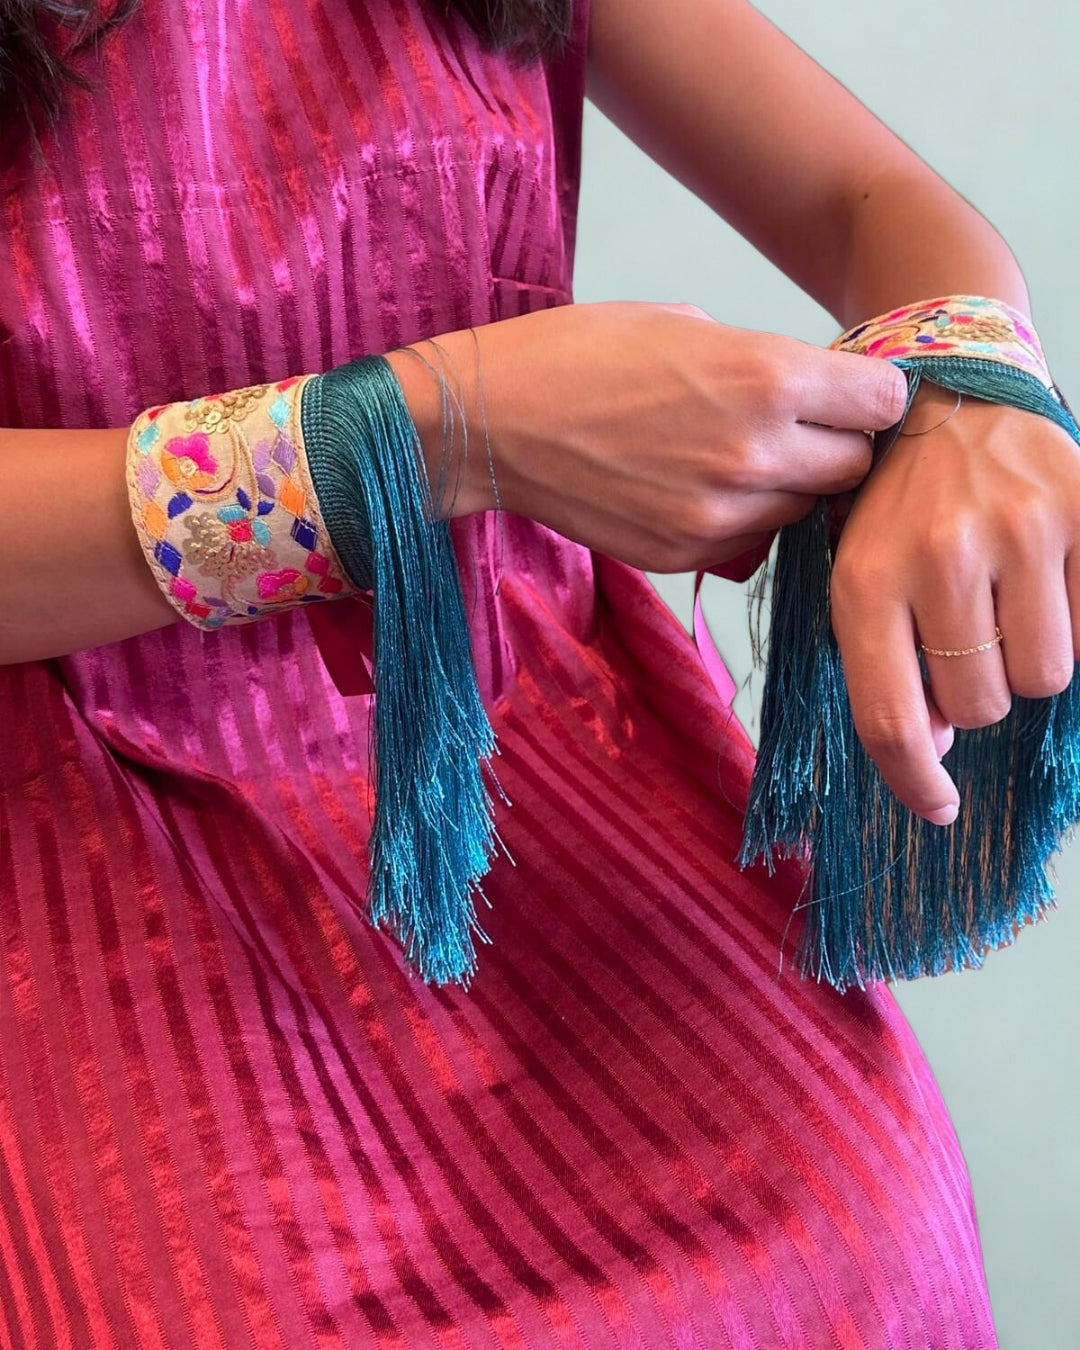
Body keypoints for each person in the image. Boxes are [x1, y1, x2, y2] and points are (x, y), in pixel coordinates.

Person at [3, 0, 1076, 1344]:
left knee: (865, 1232)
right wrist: (435, 436)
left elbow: (872, 200)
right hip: (78, 849)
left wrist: (971, 382)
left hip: (541, 769)